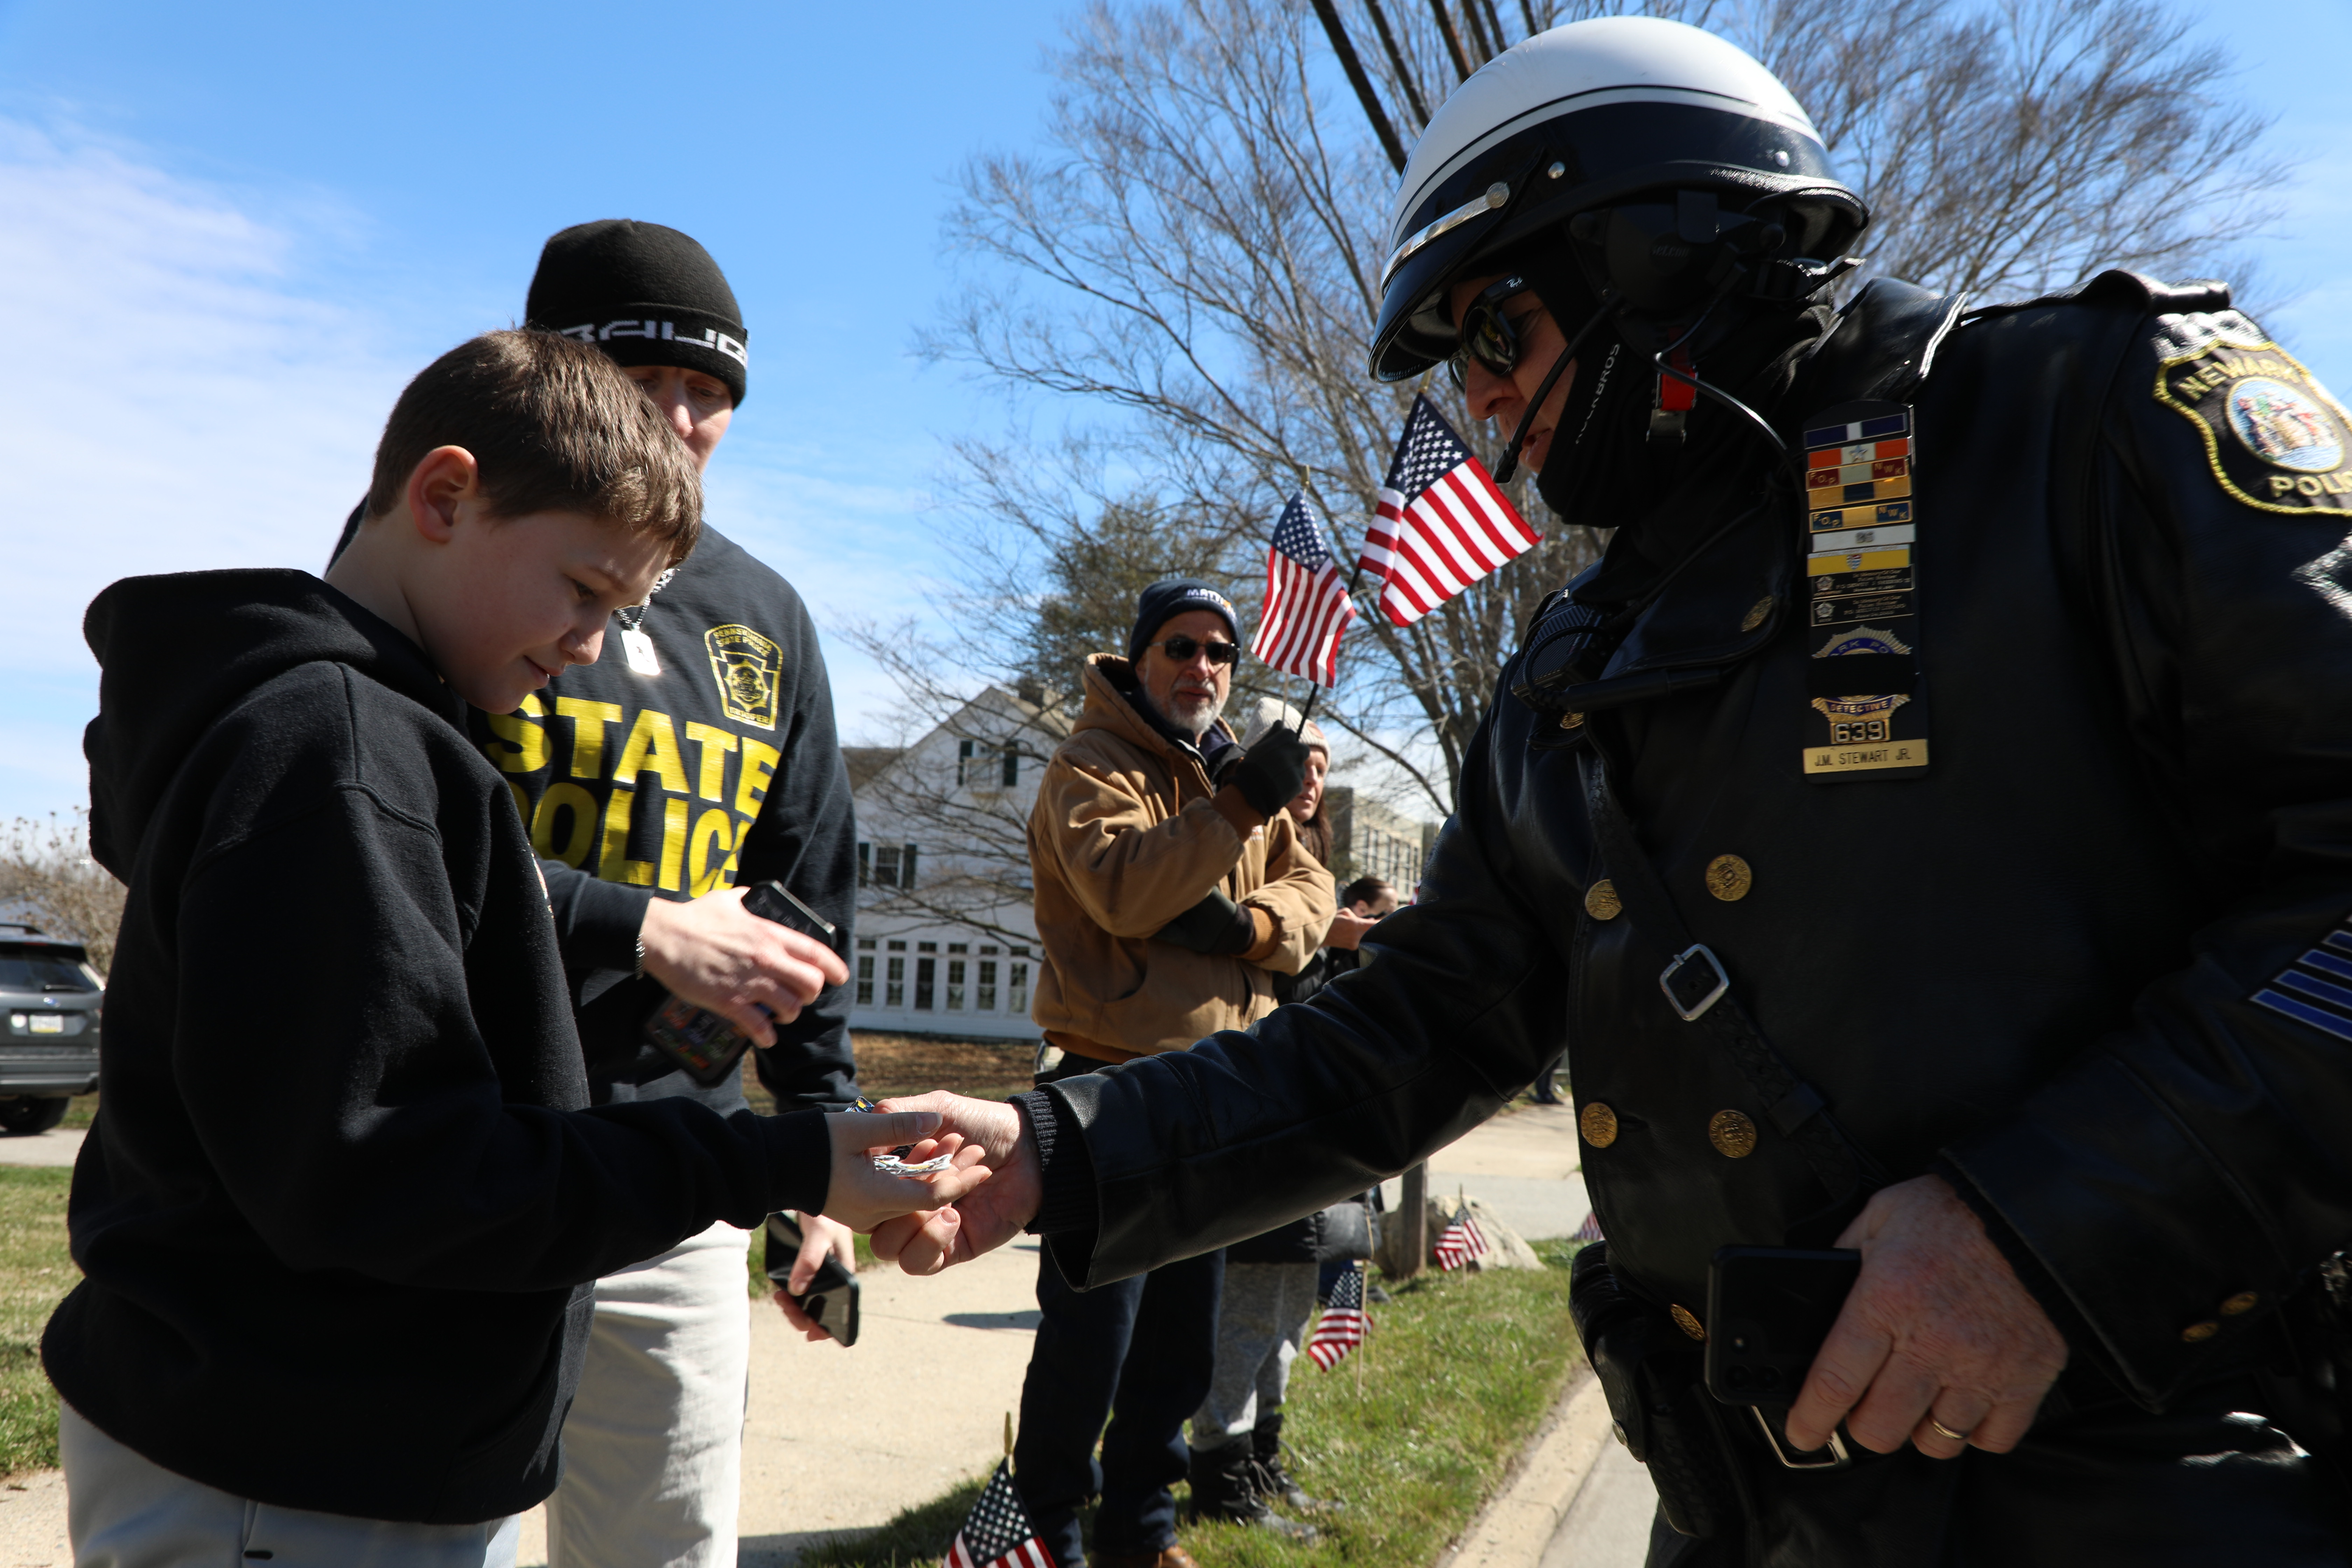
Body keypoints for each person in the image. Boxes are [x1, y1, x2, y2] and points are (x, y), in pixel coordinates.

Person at [873, 16, 2352, 1566]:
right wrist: (1064, 1146)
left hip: (2165, 1477)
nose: (1484, 406)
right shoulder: (1576, 660)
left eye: (1496, 333)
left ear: (1660, 250)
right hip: (1746, 1499)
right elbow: (1414, 1031)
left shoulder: (2090, 422)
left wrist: (2048, 1233)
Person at [56, 329, 978, 1564]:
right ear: (445, 496)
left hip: (335, 1453)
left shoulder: (379, 732)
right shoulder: (337, 753)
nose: (595, 645)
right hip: (284, 1471)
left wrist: (796, 1144)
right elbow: (396, 1177)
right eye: (586, 591)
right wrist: (772, 1163)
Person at [331, 219, 863, 1567]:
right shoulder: (456, 567)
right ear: (552, 374)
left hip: (672, 1168)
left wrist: (821, 1157)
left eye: (715, 398)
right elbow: (382, 832)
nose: (683, 422)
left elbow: (810, 899)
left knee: (667, 1548)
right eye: (652, 381)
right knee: (444, 1538)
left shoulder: (767, 618)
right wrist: (642, 925)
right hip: (467, 1149)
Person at [1014, 582, 1335, 1568]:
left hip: (1214, 1090)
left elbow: (1314, 888)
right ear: (1140, 659)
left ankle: (1141, 1537)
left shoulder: (1234, 770)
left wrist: (1250, 927)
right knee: (1090, 1346)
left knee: (1178, 1350)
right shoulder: (1089, 766)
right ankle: (1047, 1537)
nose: (1203, 668)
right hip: (1107, 1089)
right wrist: (1233, 814)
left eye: (1219, 653)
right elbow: (1124, 889)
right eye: (1180, 648)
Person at [1186, 702, 1341, 1536]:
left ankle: (1265, 1458)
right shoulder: (1239, 838)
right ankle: (1220, 1475)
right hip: (1254, 1107)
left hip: (1313, 1118)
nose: (1309, 777)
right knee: (1245, 1309)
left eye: (1321, 764)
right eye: (1299, 761)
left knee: (1287, 1304)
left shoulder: (1312, 856)